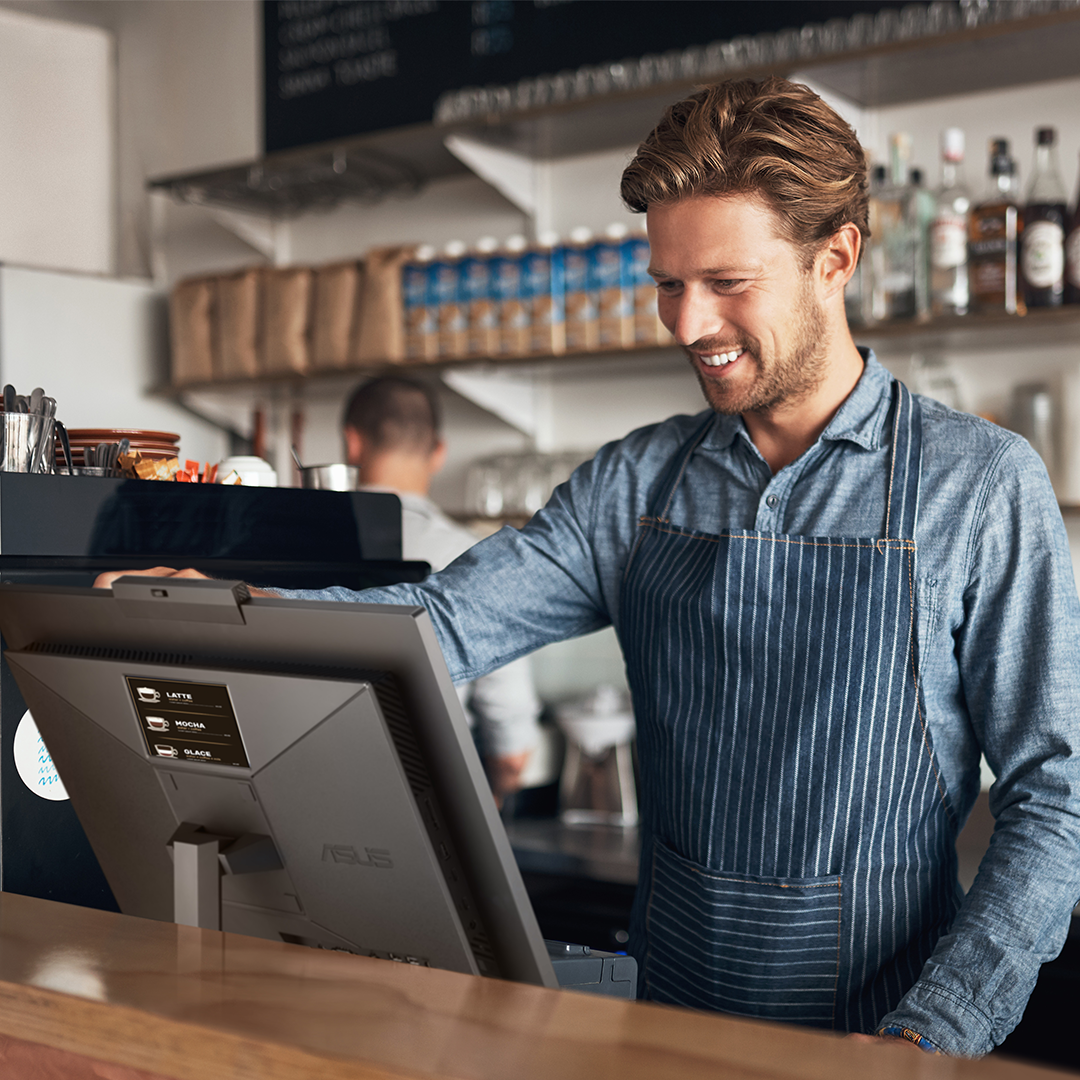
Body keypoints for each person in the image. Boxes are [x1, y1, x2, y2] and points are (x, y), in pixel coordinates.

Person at [98, 77, 1080, 1057]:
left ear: (838, 258)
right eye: (666, 282)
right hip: (663, 1033)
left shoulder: (977, 485)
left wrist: (933, 1034)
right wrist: (241, 616)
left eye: (727, 283)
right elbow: (437, 627)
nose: (687, 324)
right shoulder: (639, 481)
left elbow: (1054, 791)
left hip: (878, 1045)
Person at [342, 374, 542, 803]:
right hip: (432, 790)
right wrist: (495, 800)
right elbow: (512, 746)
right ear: (438, 452)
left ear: (352, 443)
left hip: (313, 780)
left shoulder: (296, 543)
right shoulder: (474, 553)